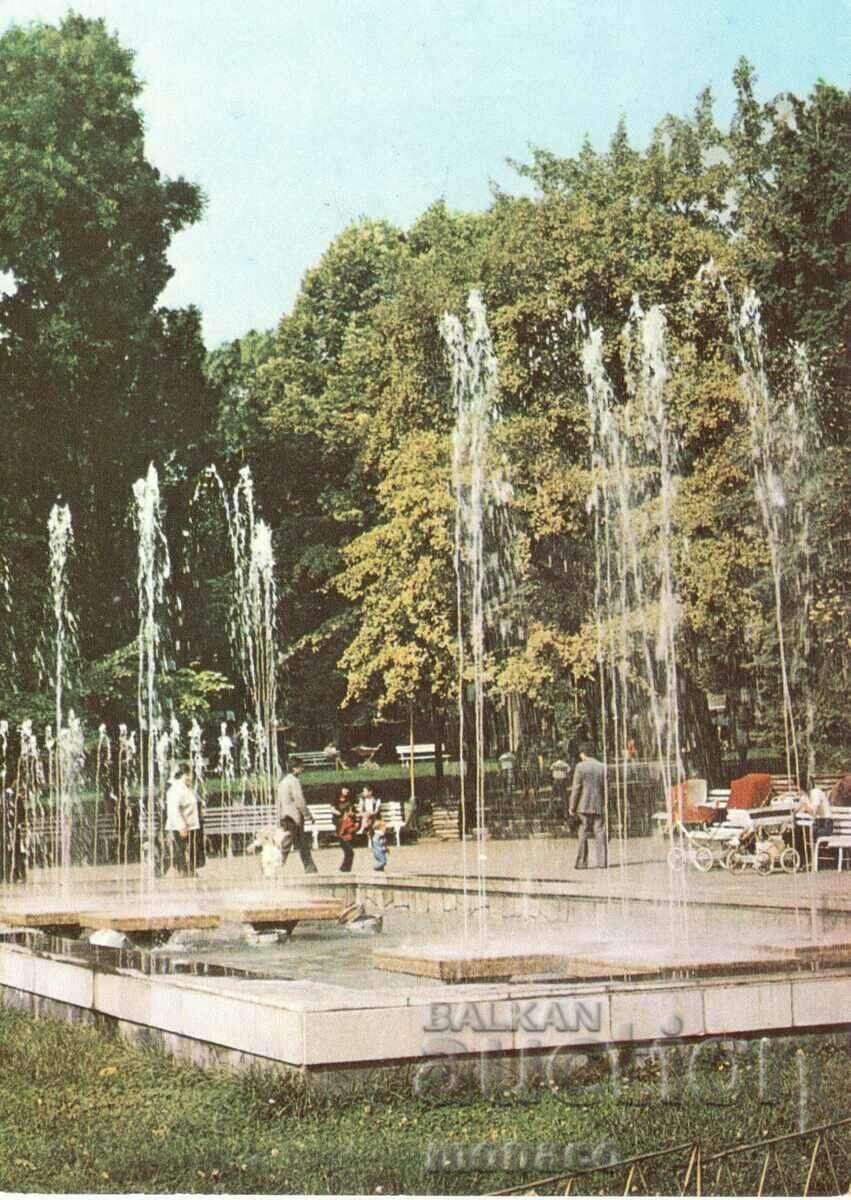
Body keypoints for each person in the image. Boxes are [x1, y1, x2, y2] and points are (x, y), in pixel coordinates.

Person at [568, 743, 608, 869]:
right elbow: (607, 788)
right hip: (599, 804)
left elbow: (576, 788)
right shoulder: (602, 767)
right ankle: (602, 861)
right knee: (600, 832)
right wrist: (606, 803)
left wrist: (572, 806)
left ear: (583, 753)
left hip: (583, 805)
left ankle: (582, 862)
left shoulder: (580, 767)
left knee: (583, 833)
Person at [276, 757, 318, 874]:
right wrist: (308, 815)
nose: (302, 769)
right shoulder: (294, 781)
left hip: (285, 816)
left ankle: (310, 867)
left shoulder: (282, 782)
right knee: (287, 844)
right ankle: (275, 866)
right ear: (295, 768)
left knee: (301, 844)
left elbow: (279, 802)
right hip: (294, 818)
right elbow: (299, 801)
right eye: (301, 767)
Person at [165, 763, 203, 877]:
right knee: (181, 854)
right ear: (182, 775)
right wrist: (181, 826)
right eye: (189, 775)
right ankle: (183, 876)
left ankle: (189, 873)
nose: (191, 778)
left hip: (190, 827)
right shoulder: (175, 789)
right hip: (180, 828)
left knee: (190, 854)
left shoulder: (186, 788)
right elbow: (173, 810)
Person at [333, 786, 357, 873]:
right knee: (349, 850)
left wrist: (351, 814)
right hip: (340, 827)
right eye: (345, 789)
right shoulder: (335, 800)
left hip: (348, 827)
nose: (347, 790)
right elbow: (333, 810)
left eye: (348, 789)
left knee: (349, 851)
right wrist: (341, 814)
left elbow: (353, 812)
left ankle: (345, 869)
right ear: (340, 790)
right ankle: (344, 868)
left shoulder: (349, 801)